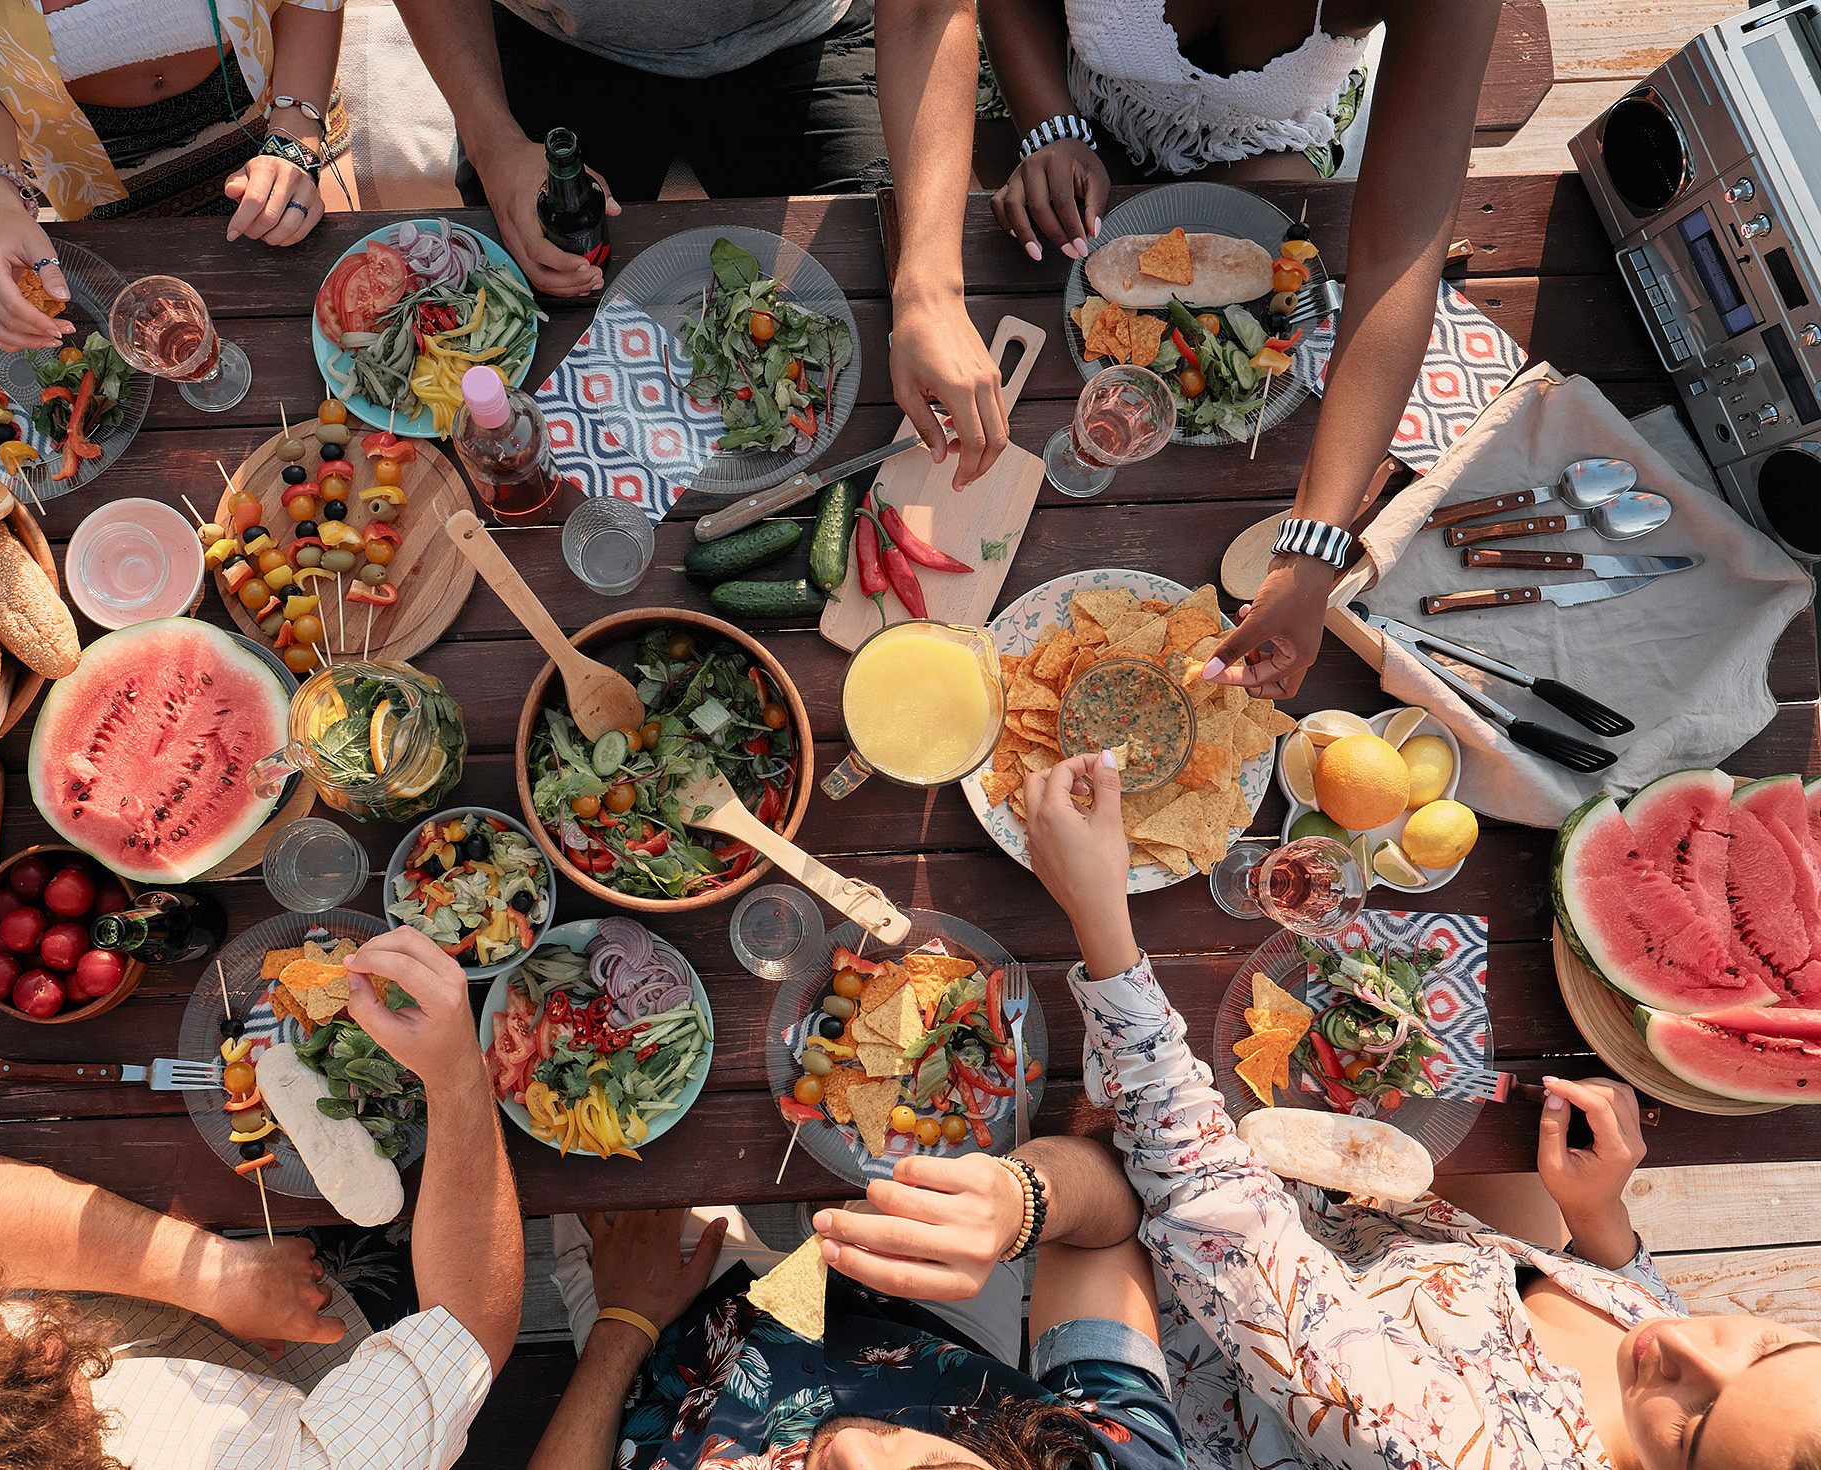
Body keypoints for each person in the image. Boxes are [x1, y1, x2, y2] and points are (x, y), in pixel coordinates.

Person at [975, 747, 1821, 1469]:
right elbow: (1652, 1314)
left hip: (1175, 1264)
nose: (1676, 1347)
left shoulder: (1447, 1447)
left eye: (1691, 1430)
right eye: (1758, 1343)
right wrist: (1604, 1229)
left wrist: (1099, 917)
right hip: (1393, 1235)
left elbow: (1218, 1215)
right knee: (1469, 1027)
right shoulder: (1685, 1357)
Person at [0, 927, 523, 1470]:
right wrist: (458, 1073)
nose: (46, 1333)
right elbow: (464, 1334)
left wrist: (213, 1276)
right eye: (39, 1368)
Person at [981, 0, 1503, 696]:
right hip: (1058, 102)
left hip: (1268, 150)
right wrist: (1052, 127)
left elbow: (1396, 256)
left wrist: (1314, 550)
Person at [392, 0, 1011, 486]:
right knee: (524, 334)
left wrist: (931, 291)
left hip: (797, 41)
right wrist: (495, 146)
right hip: (561, 44)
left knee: (875, 344)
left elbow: (931, 9)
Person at [527, 1137, 1189, 1470]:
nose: (850, 1456)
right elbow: (1105, 1234)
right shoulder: (1109, 1463)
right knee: (917, 1086)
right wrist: (1022, 1200)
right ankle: (829, 1208)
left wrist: (621, 1325)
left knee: (600, 1143)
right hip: (927, 1325)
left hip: (670, 1358)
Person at [0, 0, 354, 352]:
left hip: (278, 101)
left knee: (326, 308)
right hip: (91, 168)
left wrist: (295, 138)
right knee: (157, 335)